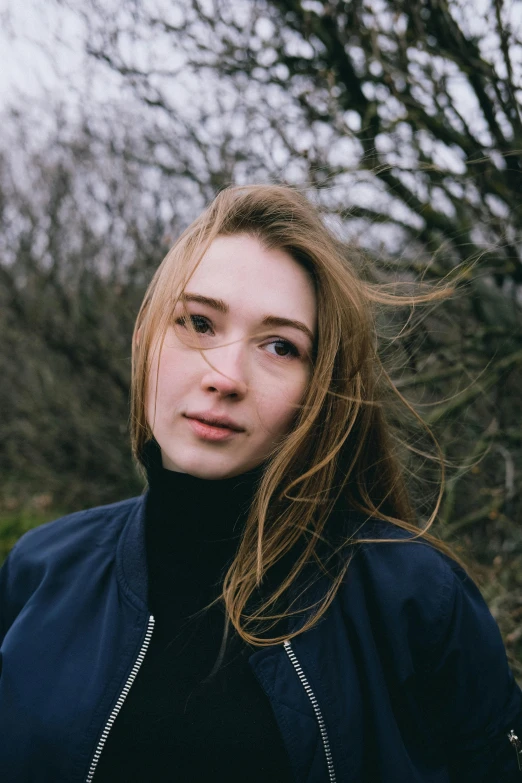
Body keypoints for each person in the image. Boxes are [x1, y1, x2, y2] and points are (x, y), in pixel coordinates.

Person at [0, 184, 521, 783]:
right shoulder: (38, 572)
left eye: (279, 346)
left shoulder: (417, 600)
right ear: (148, 337)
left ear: (318, 392)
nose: (226, 375)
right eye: (198, 322)